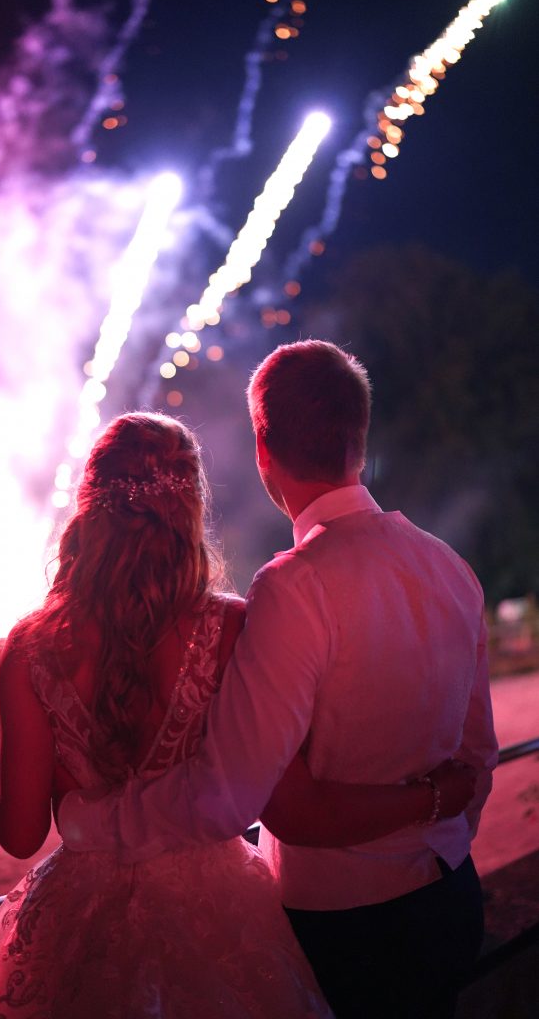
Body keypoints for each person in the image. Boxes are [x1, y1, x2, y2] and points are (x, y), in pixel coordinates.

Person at [0, 410, 474, 1019]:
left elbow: (21, 834)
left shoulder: (29, 650)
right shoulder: (233, 626)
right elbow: (281, 798)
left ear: (88, 505)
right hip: (216, 904)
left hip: (75, 911)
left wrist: (1, 742)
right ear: (190, 504)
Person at [58, 345, 498, 1019]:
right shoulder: (449, 567)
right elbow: (477, 755)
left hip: (345, 927)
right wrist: (438, 818)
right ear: (360, 435)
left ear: (264, 446)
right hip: (449, 897)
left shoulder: (293, 588)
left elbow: (230, 799)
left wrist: (94, 822)